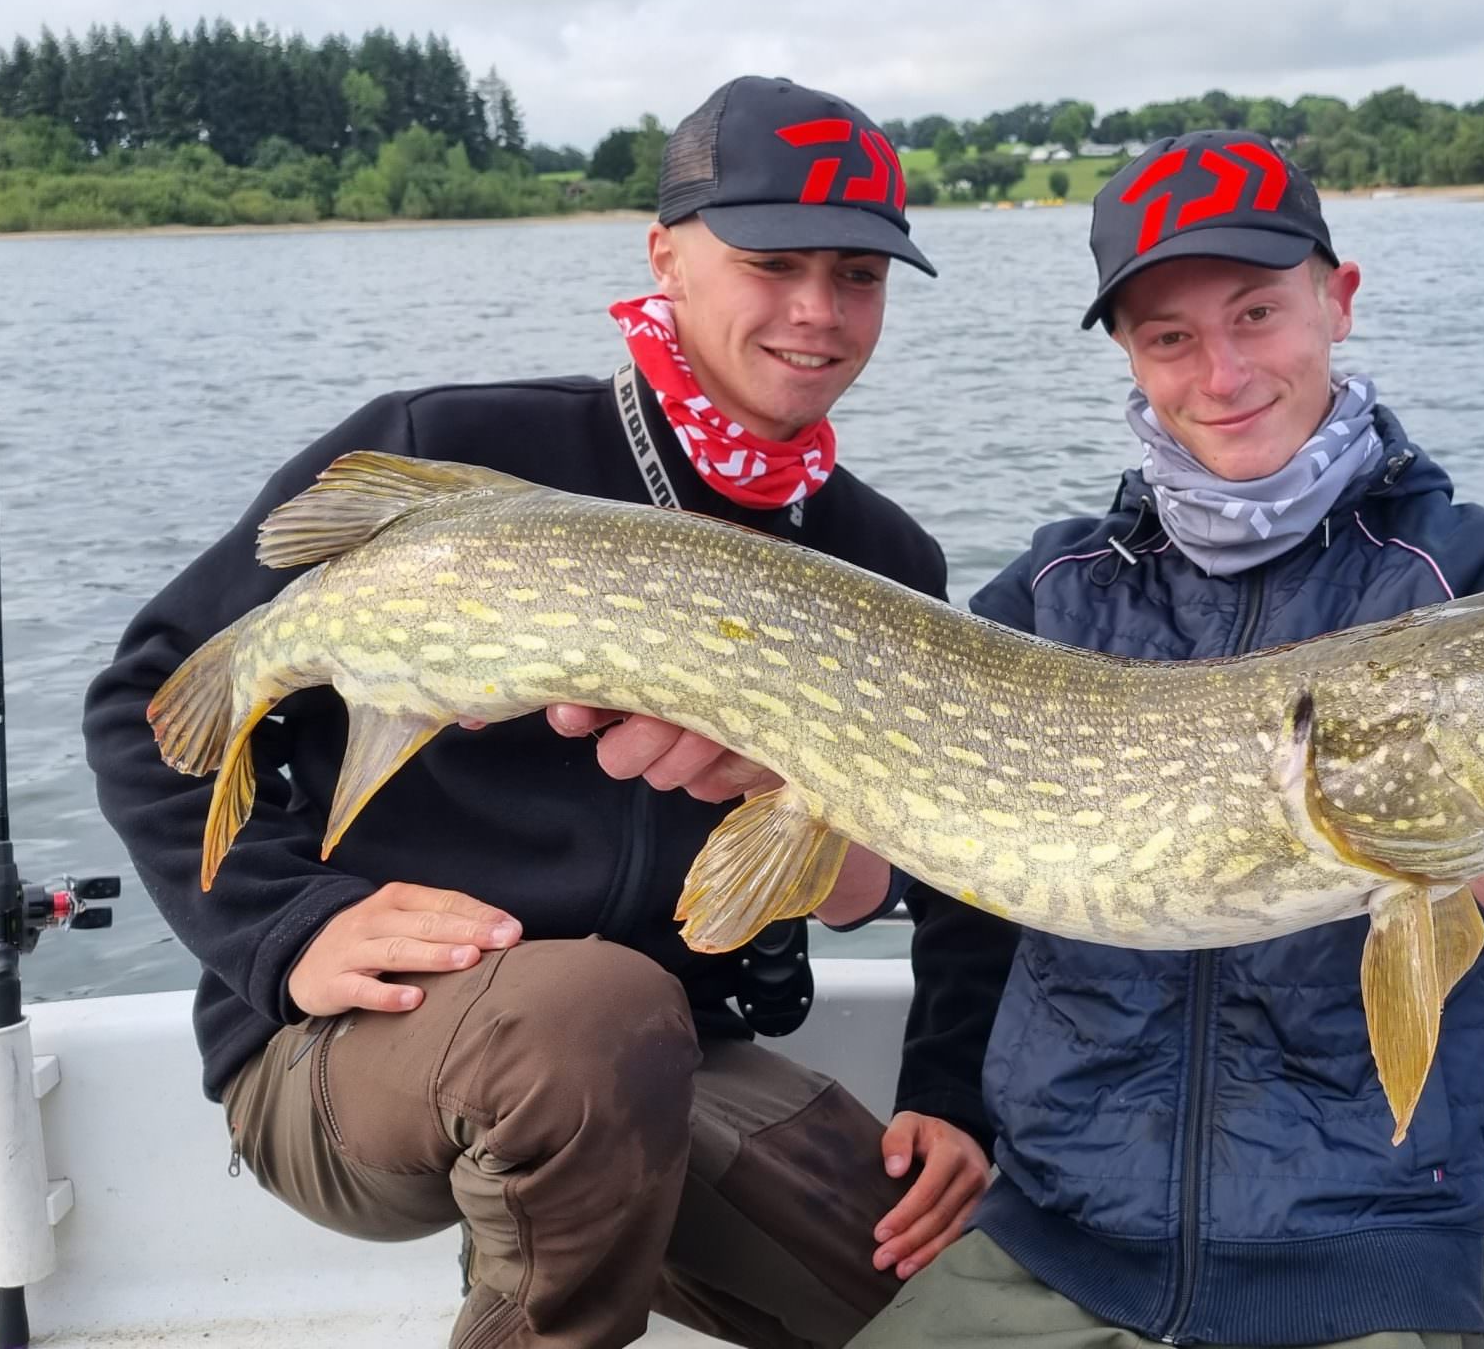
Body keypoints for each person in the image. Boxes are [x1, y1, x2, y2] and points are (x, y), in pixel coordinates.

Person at [81, 74, 1015, 1349]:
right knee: (584, 1019)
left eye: (858, 275)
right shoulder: (455, 447)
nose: (818, 312)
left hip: (664, 1059)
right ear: (666, 256)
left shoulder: (878, 557)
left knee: (966, 1317)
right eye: (772, 261)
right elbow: (156, 696)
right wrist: (284, 925)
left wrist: (950, 1091)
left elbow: (961, 842)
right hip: (347, 1046)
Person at [842, 130, 1484, 1349]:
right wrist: (943, 1089)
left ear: (1336, 301)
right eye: (1169, 336)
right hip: (1048, 1245)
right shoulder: (1054, 587)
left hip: (1355, 1268)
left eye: (1256, 314)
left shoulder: (1476, 576)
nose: (1221, 372)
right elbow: (948, 883)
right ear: (1128, 353)